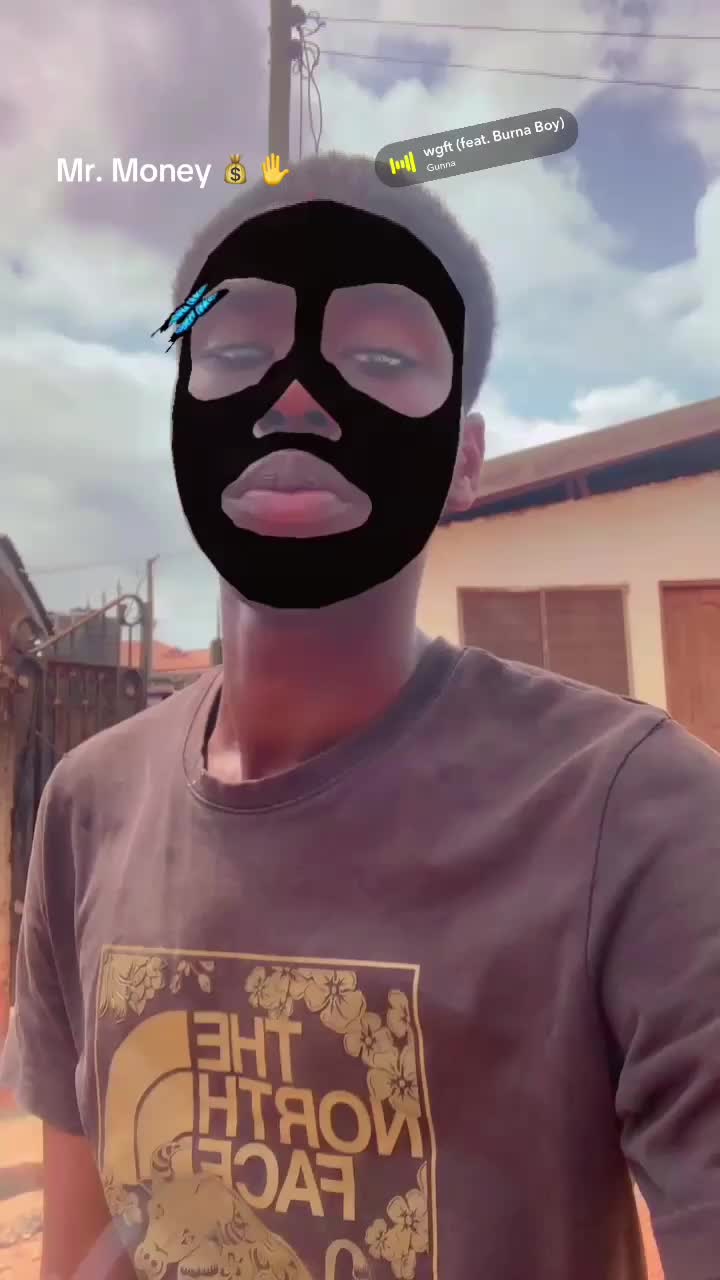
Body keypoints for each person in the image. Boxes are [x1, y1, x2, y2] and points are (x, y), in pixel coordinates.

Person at [2, 150, 719, 1280]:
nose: (292, 395)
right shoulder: (87, 807)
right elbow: (82, 1244)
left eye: (380, 358)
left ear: (464, 461)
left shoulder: (639, 819)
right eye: (234, 353)